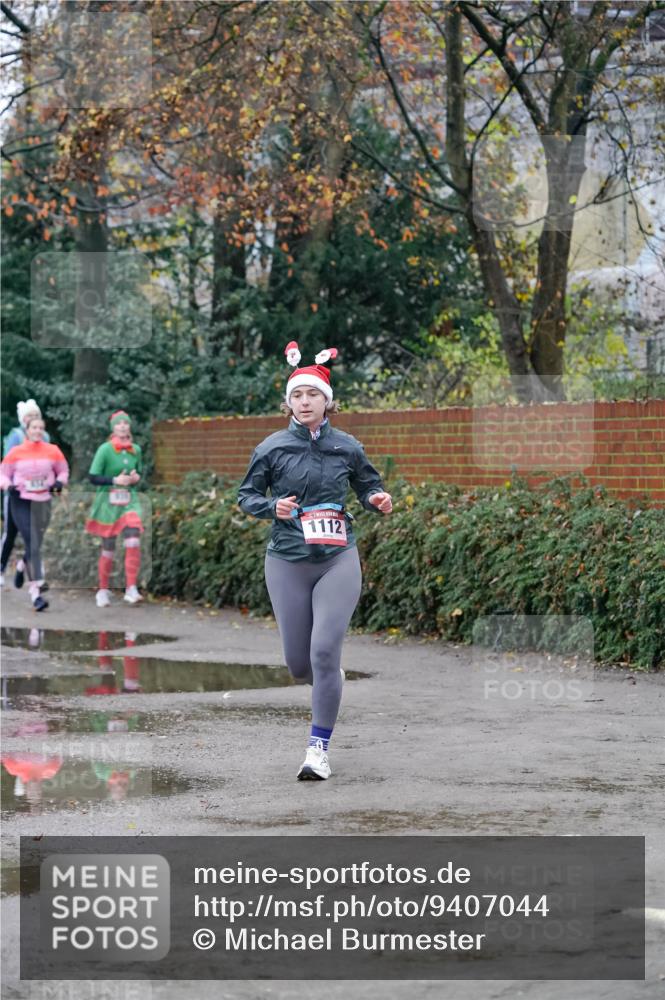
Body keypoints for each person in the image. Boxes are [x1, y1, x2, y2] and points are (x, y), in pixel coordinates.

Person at [238, 342, 393, 781]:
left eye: (313, 395)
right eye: (297, 396)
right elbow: (246, 495)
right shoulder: (271, 447)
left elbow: (367, 485)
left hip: (337, 559)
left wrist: (375, 499)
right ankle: (329, 678)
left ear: (328, 401)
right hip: (287, 560)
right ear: (288, 402)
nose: (304, 402)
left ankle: (317, 750)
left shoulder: (347, 446)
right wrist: (272, 508)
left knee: (324, 651)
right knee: (299, 664)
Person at [0, 414, 69, 611]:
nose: (37, 431)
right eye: (34, 428)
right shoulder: (16, 452)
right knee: (33, 542)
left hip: (43, 501)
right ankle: (36, 593)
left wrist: (59, 481)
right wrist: (8, 485)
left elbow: (63, 471)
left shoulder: (52, 450)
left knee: (35, 543)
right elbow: (3, 473)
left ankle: (22, 566)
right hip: (20, 501)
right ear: (27, 430)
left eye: (41, 428)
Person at [85, 410, 144, 607]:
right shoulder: (105, 449)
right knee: (108, 548)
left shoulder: (136, 449)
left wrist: (135, 479)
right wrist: (114, 480)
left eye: (125, 423)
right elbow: (93, 477)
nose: (122, 426)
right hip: (108, 503)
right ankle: (102, 590)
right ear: (113, 428)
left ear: (129, 427)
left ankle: (131, 588)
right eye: (118, 424)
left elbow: (139, 474)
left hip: (129, 501)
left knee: (133, 540)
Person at [1, 399, 50, 588]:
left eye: (36, 415)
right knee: (11, 533)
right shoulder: (16, 436)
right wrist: (11, 484)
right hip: (16, 494)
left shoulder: (45, 437)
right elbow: (7, 464)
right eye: (29, 416)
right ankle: (2, 567)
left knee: (35, 535)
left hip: (38, 494)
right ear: (23, 419)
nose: (33, 419)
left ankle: (31, 570)